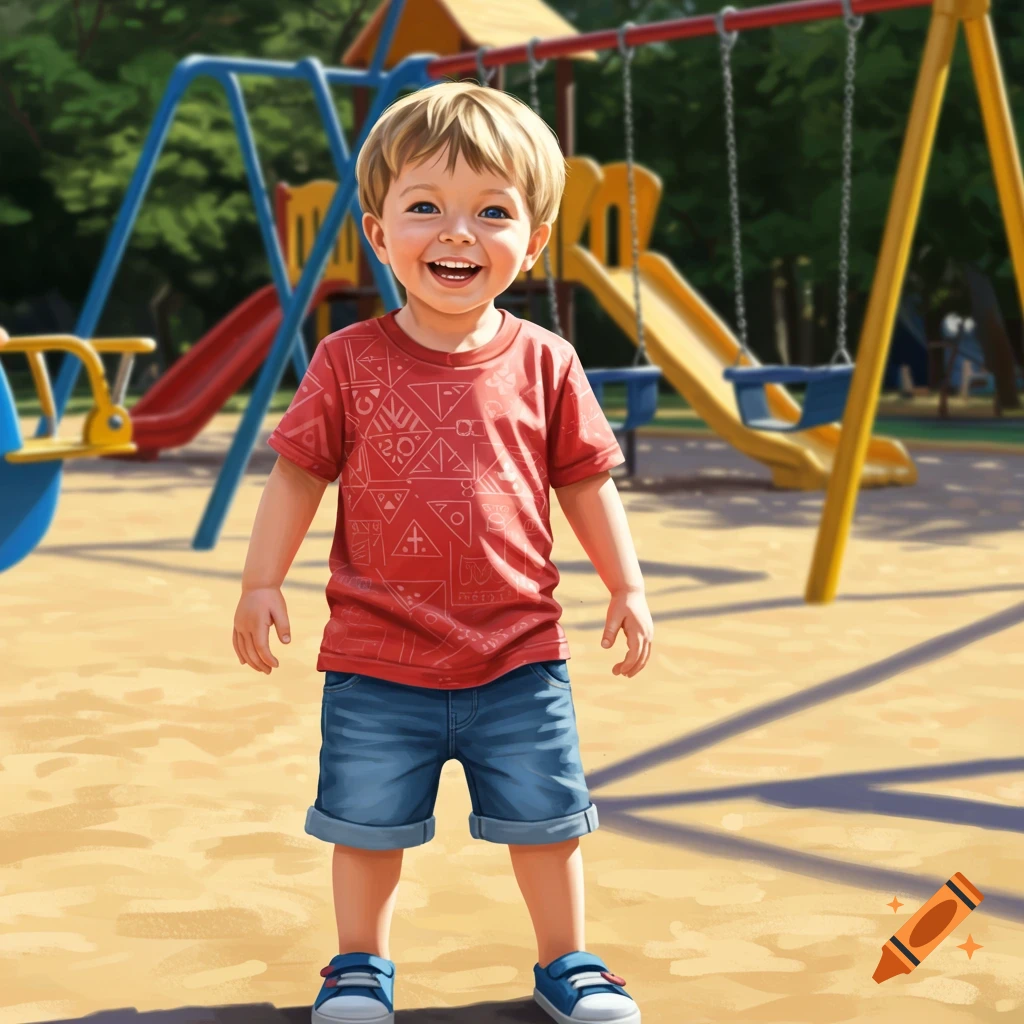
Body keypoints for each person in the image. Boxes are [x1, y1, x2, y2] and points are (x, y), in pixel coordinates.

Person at [232, 81, 653, 1024]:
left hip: (518, 654)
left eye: (491, 212)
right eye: (425, 208)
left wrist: (625, 583)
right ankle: (358, 969)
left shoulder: (547, 361)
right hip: (379, 657)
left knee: (550, 826)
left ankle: (568, 963)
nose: (457, 233)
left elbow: (585, 481)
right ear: (380, 235)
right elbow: (298, 474)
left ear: (532, 242)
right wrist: (262, 579)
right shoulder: (348, 360)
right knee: (365, 826)